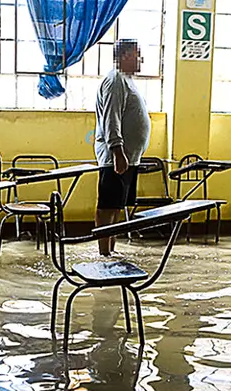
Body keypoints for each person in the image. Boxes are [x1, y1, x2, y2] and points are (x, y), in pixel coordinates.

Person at [93, 39, 150, 256]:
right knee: (107, 206)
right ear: (125, 55)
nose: (140, 59)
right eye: (137, 54)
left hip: (128, 156)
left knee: (116, 206)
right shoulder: (115, 80)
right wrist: (117, 150)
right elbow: (111, 118)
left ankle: (110, 251)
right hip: (115, 156)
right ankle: (103, 253)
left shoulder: (126, 80)